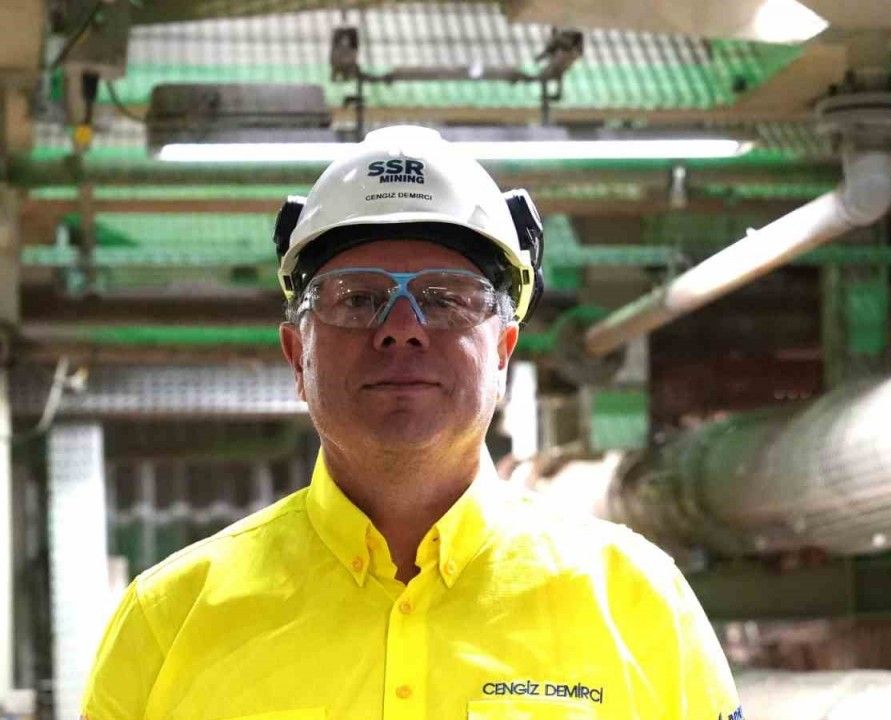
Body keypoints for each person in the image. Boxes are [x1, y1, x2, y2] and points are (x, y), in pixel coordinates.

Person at [80, 126, 742, 719]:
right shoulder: (167, 623)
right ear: (297, 355)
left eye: (445, 299)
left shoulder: (639, 605)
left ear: (503, 351)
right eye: (357, 299)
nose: (402, 328)